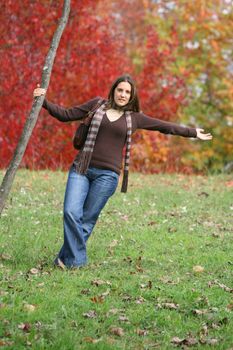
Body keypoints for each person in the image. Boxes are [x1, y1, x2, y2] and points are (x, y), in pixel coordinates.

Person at [33, 74, 212, 269]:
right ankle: (76, 261)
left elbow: (164, 126)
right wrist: (43, 101)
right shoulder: (96, 105)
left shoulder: (135, 118)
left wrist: (193, 132)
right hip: (81, 168)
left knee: (87, 220)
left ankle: (64, 261)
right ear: (114, 90)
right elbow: (65, 115)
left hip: (107, 176)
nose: (123, 94)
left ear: (132, 96)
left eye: (127, 92)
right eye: (120, 90)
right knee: (70, 211)